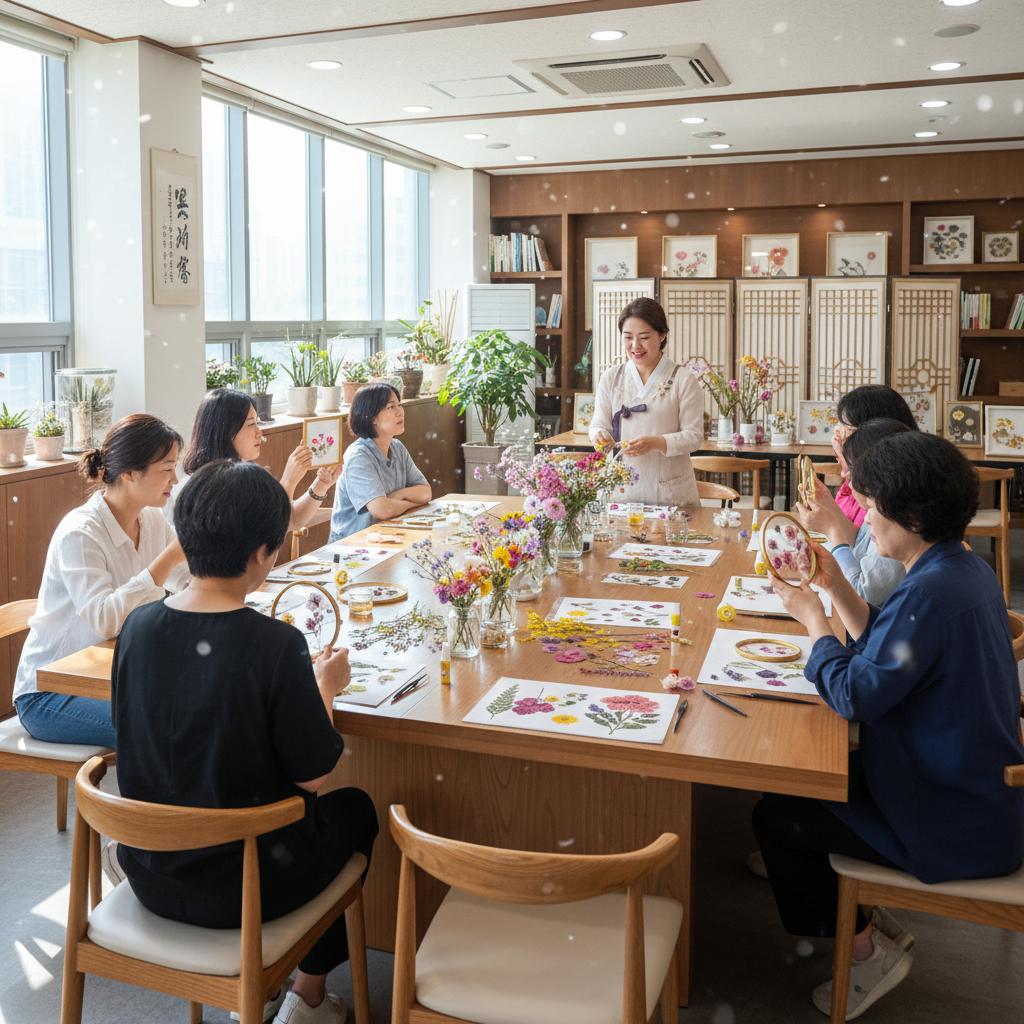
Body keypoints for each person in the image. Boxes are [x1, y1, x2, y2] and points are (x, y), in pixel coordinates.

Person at [753, 431, 1024, 1020]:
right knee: (798, 787)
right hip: (972, 793)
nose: (865, 517)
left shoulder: (930, 593)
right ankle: (869, 918)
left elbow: (856, 694)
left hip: (949, 817)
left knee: (780, 814)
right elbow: (893, 647)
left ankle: (865, 948)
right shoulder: (960, 569)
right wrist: (833, 586)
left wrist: (812, 621)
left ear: (915, 515)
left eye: (874, 505)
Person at [111, 460, 378, 1024]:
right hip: (248, 887)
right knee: (354, 809)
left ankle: (280, 991)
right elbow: (314, 775)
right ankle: (307, 996)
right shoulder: (275, 645)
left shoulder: (137, 628)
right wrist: (324, 688)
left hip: (152, 874)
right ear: (262, 553)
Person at [13, 414, 188, 748]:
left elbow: (188, 581)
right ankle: (145, 802)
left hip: (114, 676)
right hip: (49, 693)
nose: (175, 479)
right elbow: (104, 621)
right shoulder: (80, 534)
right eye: (167, 469)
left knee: (201, 706)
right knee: (162, 729)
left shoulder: (151, 519)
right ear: (129, 472)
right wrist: (164, 561)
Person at [588, 297, 704, 505]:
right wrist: (598, 435)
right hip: (620, 489)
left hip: (669, 493)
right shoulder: (611, 377)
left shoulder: (682, 379)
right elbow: (598, 423)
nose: (635, 346)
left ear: (662, 335)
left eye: (644, 337)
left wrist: (657, 442)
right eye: (628, 337)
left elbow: (694, 437)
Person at [174, 387, 341, 530]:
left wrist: (321, 485)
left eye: (257, 423)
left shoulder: (247, 473)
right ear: (226, 431)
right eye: (251, 424)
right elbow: (271, 528)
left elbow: (291, 521)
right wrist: (288, 482)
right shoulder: (210, 488)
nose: (259, 433)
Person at [797, 418, 913, 606]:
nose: (845, 476)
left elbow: (859, 594)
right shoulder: (880, 507)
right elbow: (859, 541)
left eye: (851, 472)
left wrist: (831, 528)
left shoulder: (893, 522)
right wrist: (827, 502)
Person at [329, 382, 431, 542]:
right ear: (372, 417)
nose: (400, 412)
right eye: (391, 407)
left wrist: (399, 495)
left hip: (388, 538)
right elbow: (382, 510)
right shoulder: (359, 455)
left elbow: (426, 492)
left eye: (400, 405)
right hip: (352, 549)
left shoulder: (397, 447)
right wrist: (409, 503)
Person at [831, 386, 917, 528]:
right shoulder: (852, 485)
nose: (837, 436)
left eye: (849, 429)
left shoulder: (889, 492)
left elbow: (861, 545)